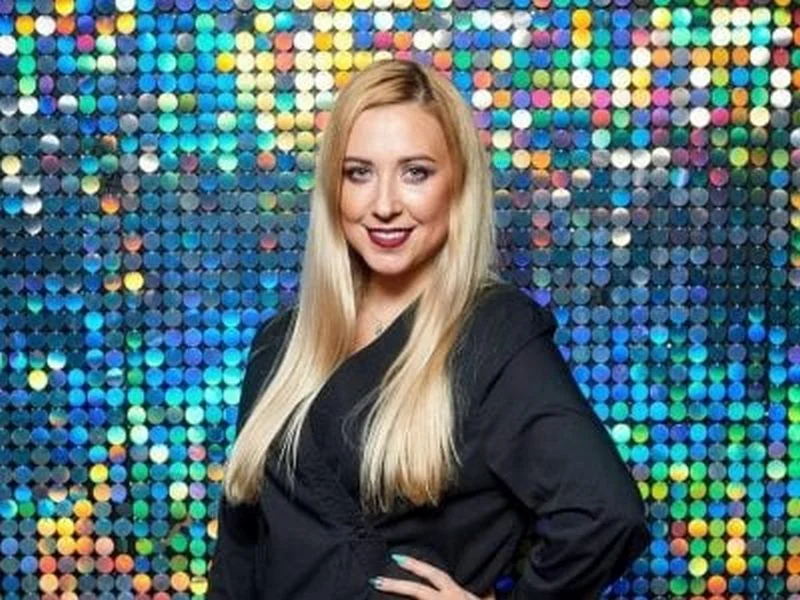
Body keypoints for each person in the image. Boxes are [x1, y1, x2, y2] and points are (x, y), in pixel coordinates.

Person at [207, 58, 650, 599]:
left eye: (415, 172)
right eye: (358, 173)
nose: (384, 205)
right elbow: (237, 559)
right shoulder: (281, 342)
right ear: (332, 189)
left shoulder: (492, 334)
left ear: (457, 186)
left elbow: (605, 514)